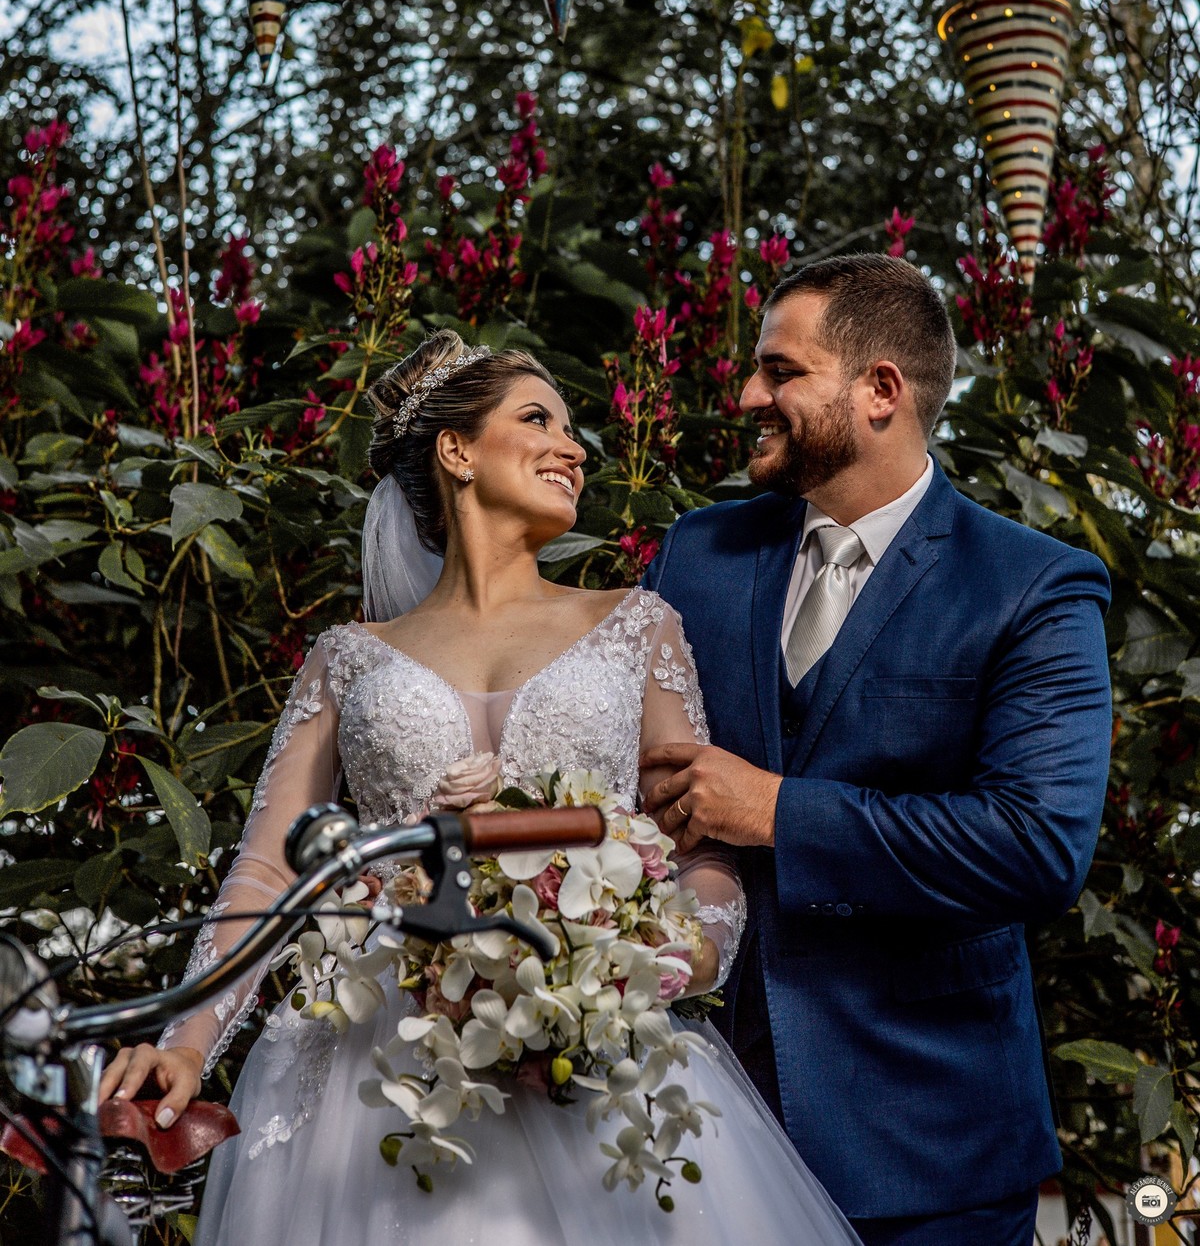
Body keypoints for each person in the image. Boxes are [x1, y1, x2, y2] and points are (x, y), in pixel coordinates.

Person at [98, 330, 861, 1246]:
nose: (573, 448)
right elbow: (268, 873)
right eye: (539, 419)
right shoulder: (348, 658)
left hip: (596, 1046)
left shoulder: (638, 626)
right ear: (456, 451)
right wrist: (186, 1043)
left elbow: (701, 851)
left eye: (574, 430)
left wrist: (671, 958)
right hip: (379, 1060)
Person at [640, 254, 1113, 1246]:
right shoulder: (698, 554)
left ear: (881, 390)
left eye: (781, 371)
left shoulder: (1032, 587)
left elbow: (1035, 845)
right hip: (703, 1129)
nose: (749, 394)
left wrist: (776, 811)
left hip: (933, 1143)